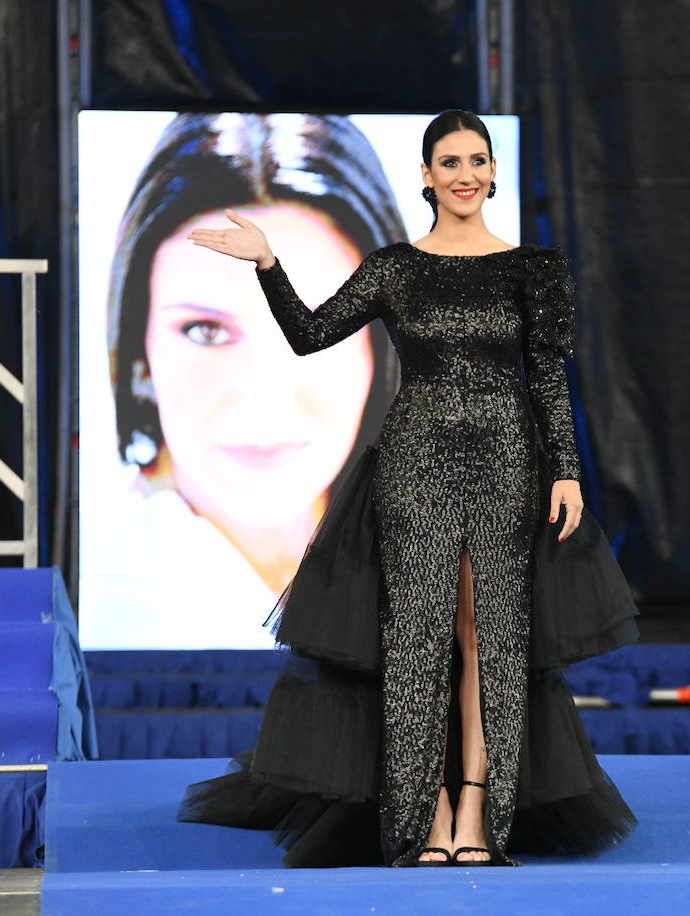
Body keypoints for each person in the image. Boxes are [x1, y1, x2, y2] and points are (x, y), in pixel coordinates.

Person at [177, 109, 640, 867]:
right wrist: (268, 263)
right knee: (416, 647)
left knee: (491, 645)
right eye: (450, 162)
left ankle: (479, 816)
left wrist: (566, 471)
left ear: (493, 172)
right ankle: (425, 814)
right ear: (425, 176)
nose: (466, 175)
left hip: (507, 470)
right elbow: (309, 333)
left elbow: (549, 380)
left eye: (477, 160)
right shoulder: (395, 266)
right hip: (414, 469)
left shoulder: (535, 267)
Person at [89, 113, 404, 648]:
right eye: (206, 332)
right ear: (141, 356)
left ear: (382, 348)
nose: (263, 401)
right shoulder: (107, 597)